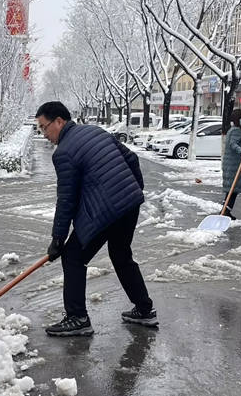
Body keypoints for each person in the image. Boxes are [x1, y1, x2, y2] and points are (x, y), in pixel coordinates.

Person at [35, 101, 157, 337]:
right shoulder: (95, 131)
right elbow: (131, 159)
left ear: (59, 121)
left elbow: (67, 199)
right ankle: (144, 309)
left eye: (44, 127)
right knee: (121, 254)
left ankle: (77, 318)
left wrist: (58, 239)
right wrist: (133, 189)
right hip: (129, 204)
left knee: (72, 257)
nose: (44, 134)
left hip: (107, 209)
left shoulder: (63, 153)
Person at [221, 109, 241, 220]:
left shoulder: (236, 129)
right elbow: (233, 144)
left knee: (232, 190)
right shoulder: (236, 131)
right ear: (238, 119)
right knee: (233, 189)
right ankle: (225, 211)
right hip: (234, 164)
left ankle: (225, 210)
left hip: (233, 163)